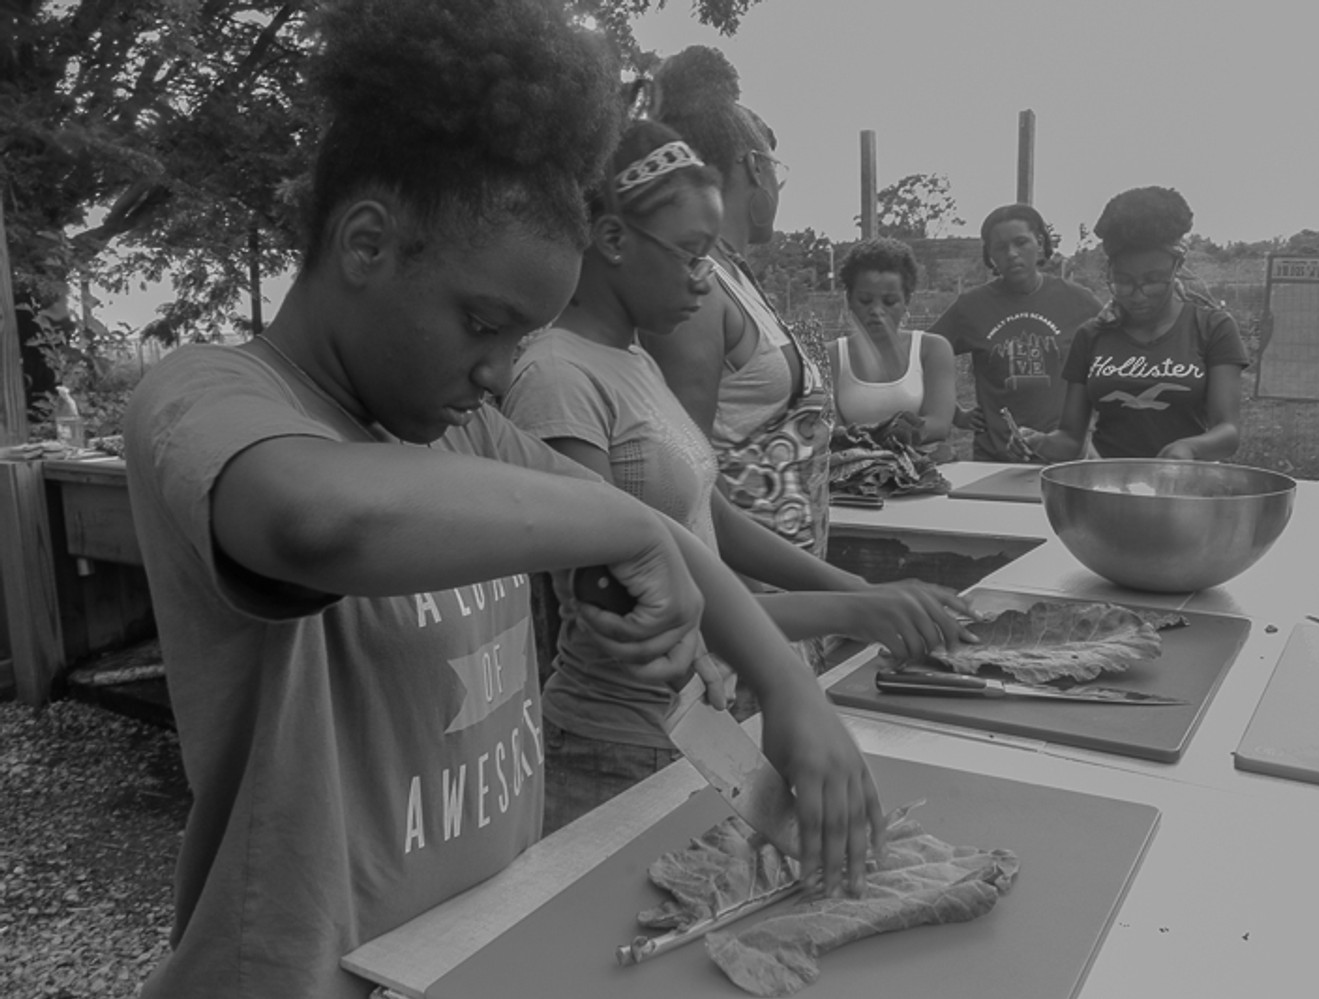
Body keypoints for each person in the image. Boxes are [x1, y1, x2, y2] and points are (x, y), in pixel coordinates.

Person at [121, 4, 882, 997]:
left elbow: (663, 537)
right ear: (365, 244)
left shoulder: (461, 427)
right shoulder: (209, 394)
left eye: (522, 339)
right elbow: (322, 520)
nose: (497, 373)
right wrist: (618, 520)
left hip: (472, 953)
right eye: (482, 323)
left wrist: (786, 689)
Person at [503, 115, 974, 832]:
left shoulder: (632, 361)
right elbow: (636, 611)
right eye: (692, 254)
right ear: (612, 240)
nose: (706, 280)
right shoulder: (557, 379)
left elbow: (709, 518)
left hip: (694, 723)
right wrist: (855, 612)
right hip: (613, 748)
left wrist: (858, 588)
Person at [641, 46, 833, 556]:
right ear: (753, 167)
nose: (778, 185)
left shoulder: (735, 278)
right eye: (776, 169)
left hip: (791, 593)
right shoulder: (699, 293)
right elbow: (687, 487)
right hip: (745, 600)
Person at [1019, 187, 1249, 462]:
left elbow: (1228, 431)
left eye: (1153, 281)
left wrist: (1189, 449)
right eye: (1124, 282)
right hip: (1110, 485)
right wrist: (1040, 442)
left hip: (1182, 488)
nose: (1138, 295)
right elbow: (1070, 439)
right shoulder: (1092, 336)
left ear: (1177, 268)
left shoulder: (1212, 328)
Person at [928, 204, 1102, 461]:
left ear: (1040, 243)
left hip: (1061, 459)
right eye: (1000, 247)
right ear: (990, 256)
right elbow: (921, 358)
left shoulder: (1080, 302)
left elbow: (1114, 353)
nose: (1011, 254)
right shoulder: (971, 307)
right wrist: (955, 414)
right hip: (994, 460)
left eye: (1021, 242)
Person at [829, 236, 957, 446]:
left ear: (907, 301)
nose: (877, 311)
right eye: (865, 301)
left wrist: (871, 435)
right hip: (852, 473)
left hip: (920, 473)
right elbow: (830, 429)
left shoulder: (932, 350)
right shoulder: (831, 357)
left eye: (889, 302)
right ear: (849, 299)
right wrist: (896, 432)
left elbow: (939, 424)